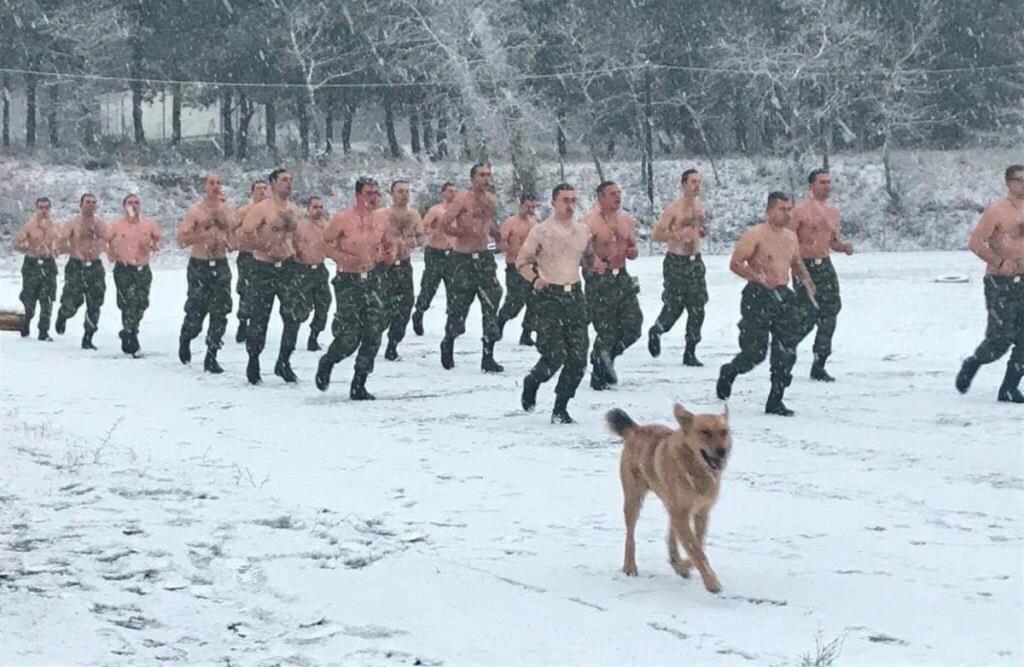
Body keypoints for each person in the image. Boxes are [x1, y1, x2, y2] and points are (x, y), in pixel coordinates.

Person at [716, 192, 816, 416]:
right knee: (755, 352)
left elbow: (796, 263)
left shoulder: (790, 237)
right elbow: (735, 263)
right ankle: (730, 371)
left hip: (783, 294)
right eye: (781, 209)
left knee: (787, 349)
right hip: (758, 296)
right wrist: (759, 278)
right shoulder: (756, 234)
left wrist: (807, 281)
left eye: (788, 209)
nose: (786, 213)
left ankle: (775, 399)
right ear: (769, 211)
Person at [517, 183, 605, 424]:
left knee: (578, 357)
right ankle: (533, 380)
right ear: (553, 203)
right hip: (549, 296)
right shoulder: (541, 231)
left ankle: (561, 407)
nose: (570, 205)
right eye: (565, 200)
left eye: (573, 200)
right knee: (555, 354)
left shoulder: (582, 230)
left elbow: (587, 257)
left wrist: (595, 263)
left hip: (574, 295)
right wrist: (535, 279)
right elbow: (522, 261)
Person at [316, 177, 394, 400]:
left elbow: (390, 246)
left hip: (371, 279)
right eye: (369, 193)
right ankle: (329, 360)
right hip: (348, 281)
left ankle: (359, 383)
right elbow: (322, 244)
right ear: (358, 195)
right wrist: (341, 257)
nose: (373, 198)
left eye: (376, 194)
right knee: (349, 336)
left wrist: (388, 255)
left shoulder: (381, 220)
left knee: (373, 332)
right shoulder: (343, 219)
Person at [956, 165, 1024, 403]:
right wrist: (999, 261)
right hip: (1001, 281)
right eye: (1020, 180)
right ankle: (974, 362)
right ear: (1009, 183)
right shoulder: (997, 211)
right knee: (1001, 338)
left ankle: (1009, 388)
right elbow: (976, 242)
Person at [238, 168, 303, 384]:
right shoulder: (261, 209)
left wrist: (297, 254)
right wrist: (264, 245)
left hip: (286, 266)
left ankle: (283, 361)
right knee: (259, 317)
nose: (288, 183)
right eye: (284, 180)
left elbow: (294, 236)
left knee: (293, 316)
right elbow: (245, 234)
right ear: (273, 183)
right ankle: (253, 360)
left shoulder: (293, 209)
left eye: (290, 180)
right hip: (263, 267)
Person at [790, 169, 854, 381]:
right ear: (812, 186)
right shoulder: (799, 211)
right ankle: (785, 349)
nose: (827, 186)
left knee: (830, 311)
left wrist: (842, 247)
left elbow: (832, 241)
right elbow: (787, 240)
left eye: (829, 182)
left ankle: (820, 363)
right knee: (806, 314)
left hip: (825, 264)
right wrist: (795, 268)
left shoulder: (833, 211)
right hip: (804, 265)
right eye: (822, 182)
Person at [440, 163, 504, 372]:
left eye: (488, 175)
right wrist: (462, 233)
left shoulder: (491, 200)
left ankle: (488, 356)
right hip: (463, 259)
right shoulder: (462, 199)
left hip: (484, 258)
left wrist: (497, 235)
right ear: (472, 178)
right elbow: (445, 223)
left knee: (491, 304)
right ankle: (449, 340)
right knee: (459, 308)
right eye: (481, 175)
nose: (486, 179)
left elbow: (488, 223)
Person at [581, 181, 642, 390]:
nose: (617, 197)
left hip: (622, 277)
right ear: (600, 197)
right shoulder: (589, 222)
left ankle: (603, 358)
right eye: (612, 194)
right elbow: (580, 253)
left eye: (619, 193)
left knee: (633, 326)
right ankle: (599, 373)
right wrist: (595, 263)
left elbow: (632, 244)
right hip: (599, 280)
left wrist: (632, 251)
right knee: (607, 329)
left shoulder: (625, 219)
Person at [648, 168, 709, 366]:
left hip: (695, 261)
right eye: (693, 182)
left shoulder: (700, 207)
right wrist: (675, 235)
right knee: (675, 307)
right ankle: (657, 330)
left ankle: (690, 351)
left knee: (698, 307)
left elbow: (700, 231)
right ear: (683, 185)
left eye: (699, 182)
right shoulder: (673, 209)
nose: (697, 186)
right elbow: (656, 235)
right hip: (677, 261)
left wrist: (702, 232)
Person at [177, 173, 235, 373]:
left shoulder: (227, 210)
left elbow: (234, 238)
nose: (216, 186)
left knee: (221, 311)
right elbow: (181, 239)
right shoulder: (196, 211)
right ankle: (186, 337)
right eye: (212, 183)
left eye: (219, 183)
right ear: (205, 187)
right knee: (196, 310)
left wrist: (225, 233)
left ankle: (212, 354)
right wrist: (202, 233)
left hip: (220, 265)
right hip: (199, 265)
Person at [107, 194, 163, 357]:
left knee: (141, 303)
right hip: (124, 269)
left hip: (142, 268)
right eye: (130, 203)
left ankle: (128, 331)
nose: (134, 205)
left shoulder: (148, 224)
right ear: (124, 206)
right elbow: (106, 240)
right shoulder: (117, 225)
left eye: (137, 202)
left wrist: (152, 245)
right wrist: (111, 252)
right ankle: (132, 337)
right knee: (128, 302)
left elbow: (159, 239)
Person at [55, 193, 110, 350]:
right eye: (88, 202)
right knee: (73, 302)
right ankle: (63, 314)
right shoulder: (73, 222)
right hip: (76, 266)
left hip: (95, 266)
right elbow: (61, 241)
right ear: (81, 204)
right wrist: (70, 248)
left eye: (94, 202)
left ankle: (88, 337)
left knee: (95, 303)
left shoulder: (100, 223)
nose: (91, 205)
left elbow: (110, 240)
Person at [378, 180, 424, 361]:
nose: (404, 195)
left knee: (405, 305)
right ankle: (370, 339)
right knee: (383, 306)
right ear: (392, 194)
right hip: (385, 266)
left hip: (404, 264)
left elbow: (421, 237)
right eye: (400, 191)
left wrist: (412, 242)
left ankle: (393, 344)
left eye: (407, 191)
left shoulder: (413, 214)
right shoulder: (382, 214)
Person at [411, 182, 457, 336]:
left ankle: (452, 322)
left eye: (455, 191)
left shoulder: (458, 211)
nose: (453, 194)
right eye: (450, 191)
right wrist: (435, 231)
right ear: (443, 193)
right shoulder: (436, 210)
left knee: (454, 289)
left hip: (452, 254)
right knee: (429, 286)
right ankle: (419, 312)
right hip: (435, 253)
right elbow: (423, 228)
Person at [13, 197, 62, 341]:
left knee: (47, 301)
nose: (44, 210)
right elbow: (16, 243)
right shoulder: (30, 225)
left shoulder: (55, 226)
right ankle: (26, 323)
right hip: (32, 265)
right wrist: (29, 248)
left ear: (50, 209)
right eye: (41, 207)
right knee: (30, 300)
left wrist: (56, 249)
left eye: (46, 207)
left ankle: (43, 331)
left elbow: (62, 243)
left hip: (48, 265)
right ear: (36, 208)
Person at [496, 193, 539, 347]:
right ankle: (499, 322)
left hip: (532, 268)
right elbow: (500, 243)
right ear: (520, 206)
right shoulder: (511, 223)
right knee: (515, 302)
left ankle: (526, 333)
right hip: (515, 268)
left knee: (534, 302)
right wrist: (513, 251)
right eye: (528, 206)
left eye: (533, 207)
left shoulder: (535, 224)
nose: (530, 210)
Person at [293, 196, 332, 352]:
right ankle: (290, 338)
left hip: (320, 269)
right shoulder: (300, 226)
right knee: (302, 308)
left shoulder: (326, 227)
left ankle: (314, 337)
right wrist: (297, 254)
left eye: (321, 207)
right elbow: (291, 243)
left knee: (324, 304)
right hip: (303, 270)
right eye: (315, 207)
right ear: (308, 209)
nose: (319, 210)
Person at [232, 180, 268, 343]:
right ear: (252, 192)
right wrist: (235, 242)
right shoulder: (245, 211)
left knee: (261, 292)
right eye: (258, 189)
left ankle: (257, 324)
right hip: (247, 256)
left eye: (264, 188)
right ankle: (243, 320)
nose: (261, 191)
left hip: (264, 257)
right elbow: (231, 227)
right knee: (246, 290)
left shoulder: (270, 211)